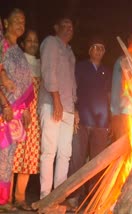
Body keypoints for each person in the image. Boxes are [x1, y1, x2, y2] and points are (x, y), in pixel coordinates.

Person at [67, 36, 112, 208]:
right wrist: (75, 110)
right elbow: (73, 89)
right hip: (82, 120)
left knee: (97, 162)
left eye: (101, 48)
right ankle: (73, 196)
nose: (98, 51)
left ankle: (94, 198)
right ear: (89, 50)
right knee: (77, 159)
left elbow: (108, 97)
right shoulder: (80, 67)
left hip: (100, 124)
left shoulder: (106, 72)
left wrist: (110, 120)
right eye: (95, 47)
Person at [38, 14, 77, 199]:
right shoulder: (51, 43)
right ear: (56, 27)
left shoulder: (70, 52)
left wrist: (74, 107)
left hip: (68, 108)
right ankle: (46, 197)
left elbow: (72, 82)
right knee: (49, 151)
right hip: (52, 104)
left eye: (71, 25)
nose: (69, 28)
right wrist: (56, 99)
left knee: (65, 154)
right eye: (65, 24)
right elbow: (48, 71)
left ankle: (58, 197)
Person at [0, 8, 33, 212]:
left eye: (23, 20)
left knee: (8, 156)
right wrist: (4, 103)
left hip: (16, 113)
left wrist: (26, 108)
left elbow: (26, 83)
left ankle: (3, 201)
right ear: (5, 23)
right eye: (16, 20)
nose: (21, 23)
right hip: (3, 107)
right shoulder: (2, 45)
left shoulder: (20, 52)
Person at [11, 29, 41, 211]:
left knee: (27, 159)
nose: (32, 43)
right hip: (17, 115)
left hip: (34, 118)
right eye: (29, 40)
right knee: (11, 157)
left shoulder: (39, 64)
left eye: (35, 40)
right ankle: (4, 198)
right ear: (22, 44)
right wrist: (22, 109)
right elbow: (13, 89)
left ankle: (20, 198)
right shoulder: (17, 61)